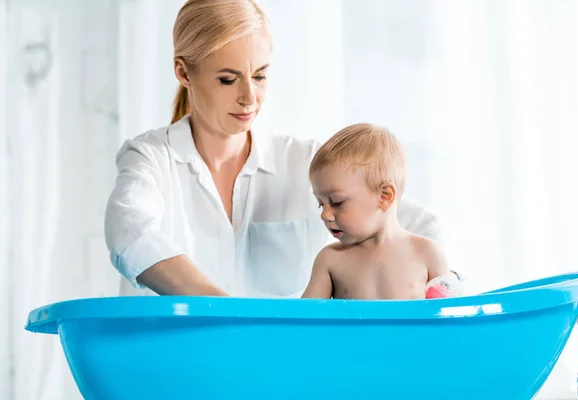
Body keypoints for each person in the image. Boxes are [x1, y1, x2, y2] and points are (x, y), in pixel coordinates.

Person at [104, 0, 445, 298]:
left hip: (282, 368)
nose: (249, 97)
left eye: (260, 76)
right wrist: (225, 313)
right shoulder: (149, 157)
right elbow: (131, 233)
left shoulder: (310, 163)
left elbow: (419, 223)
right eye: (228, 79)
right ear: (184, 72)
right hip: (174, 363)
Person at [301, 123, 459, 300]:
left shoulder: (426, 253)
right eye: (320, 204)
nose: (325, 214)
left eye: (337, 202)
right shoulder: (330, 261)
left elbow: (450, 316)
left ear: (384, 196)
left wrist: (453, 287)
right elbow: (303, 322)